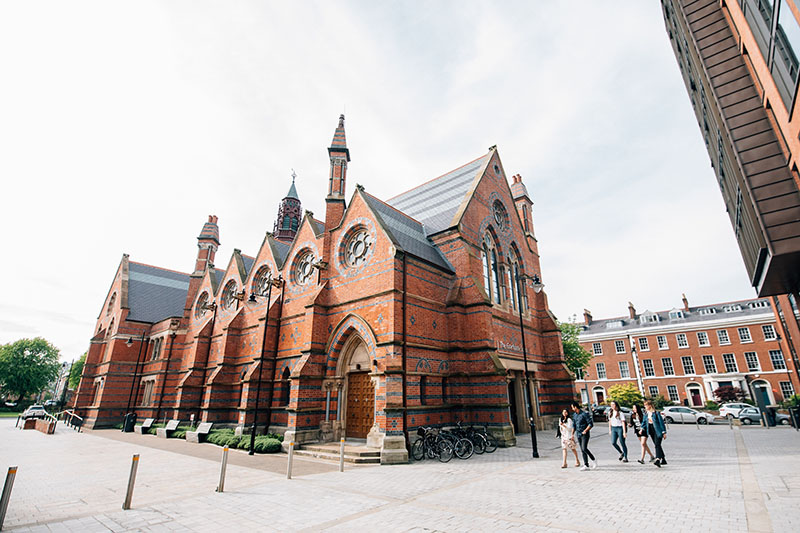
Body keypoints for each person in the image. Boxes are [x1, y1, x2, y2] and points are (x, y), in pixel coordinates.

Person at [570, 401, 596, 470]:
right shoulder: (574, 415)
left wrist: (585, 430)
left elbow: (590, 424)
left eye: (572, 407)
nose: (572, 409)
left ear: (575, 407)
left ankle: (593, 459)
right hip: (578, 434)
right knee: (582, 450)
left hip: (585, 434)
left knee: (584, 448)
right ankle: (586, 465)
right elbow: (574, 425)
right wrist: (572, 434)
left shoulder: (584, 414)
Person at [641, 400, 667, 467]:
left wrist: (664, 432)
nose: (645, 407)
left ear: (650, 405)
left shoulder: (656, 413)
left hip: (657, 430)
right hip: (651, 430)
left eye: (646, 405)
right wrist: (642, 428)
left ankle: (658, 459)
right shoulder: (646, 414)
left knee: (657, 445)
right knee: (657, 444)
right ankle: (663, 459)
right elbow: (644, 422)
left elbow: (661, 423)